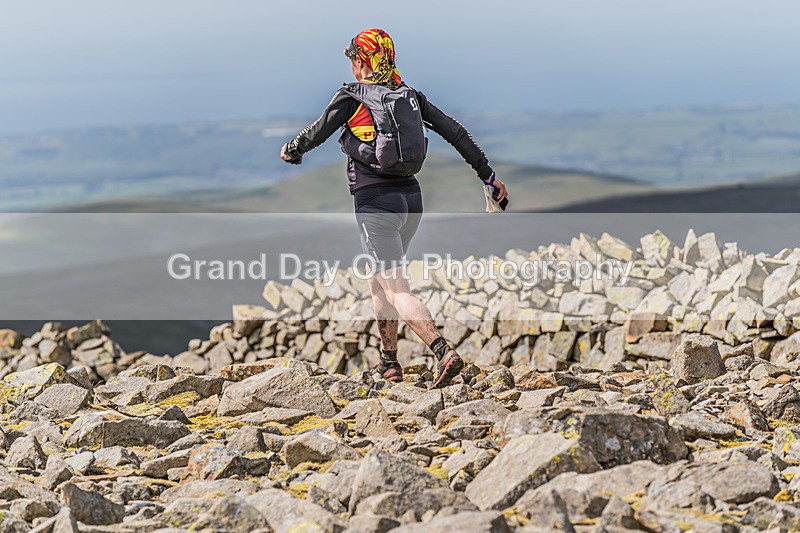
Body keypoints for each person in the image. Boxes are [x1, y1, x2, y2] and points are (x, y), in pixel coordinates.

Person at [281, 28, 507, 388]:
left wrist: (292, 149)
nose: (352, 65)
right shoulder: (409, 96)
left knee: (397, 287)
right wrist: (488, 175)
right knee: (378, 281)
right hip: (410, 201)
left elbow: (318, 131)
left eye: (353, 58)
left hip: (376, 204)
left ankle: (443, 351)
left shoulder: (353, 96)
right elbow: (456, 132)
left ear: (361, 60)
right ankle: (389, 363)